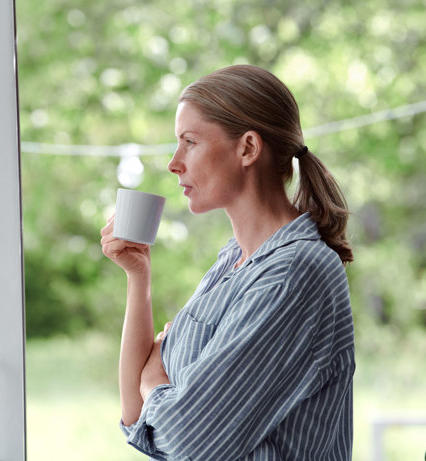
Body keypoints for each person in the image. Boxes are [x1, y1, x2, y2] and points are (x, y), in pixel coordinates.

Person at [101, 64, 355, 461]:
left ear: (248, 148)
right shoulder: (232, 261)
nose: (173, 162)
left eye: (190, 142)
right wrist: (139, 276)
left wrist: (154, 384)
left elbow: (190, 442)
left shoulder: (294, 274)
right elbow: (135, 419)